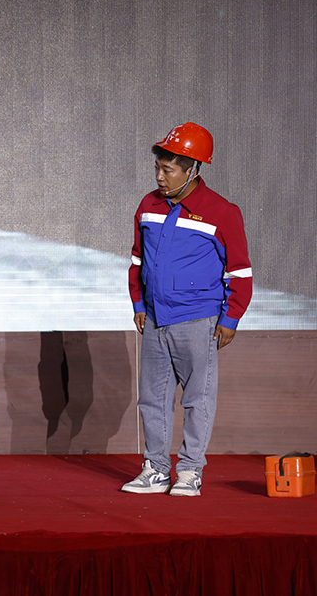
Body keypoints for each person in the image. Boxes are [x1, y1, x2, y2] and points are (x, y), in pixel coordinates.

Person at [122, 122, 252, 497]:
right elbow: (136, 261)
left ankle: (190, 470)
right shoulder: (148, 205)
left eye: (168, 170)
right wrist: (138, 302)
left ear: (193, 169)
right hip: (154, 320)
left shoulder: (222, 212)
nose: (159, 177)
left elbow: (240, 273)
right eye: (157, 168)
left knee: (198, 399)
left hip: (198, 321)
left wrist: (231, 318)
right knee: (152, 399)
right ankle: (156, 469)